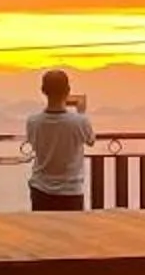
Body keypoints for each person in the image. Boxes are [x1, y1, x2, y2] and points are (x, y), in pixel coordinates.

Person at [21, 68, 96, 210]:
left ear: (43, 91)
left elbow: (33, 143)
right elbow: (91, 141)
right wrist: (81, 111)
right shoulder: (80, 122)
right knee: (72, 231)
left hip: (40, 189)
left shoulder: (33, 122)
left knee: (43, 231)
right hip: (71, 191)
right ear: (68, 90)